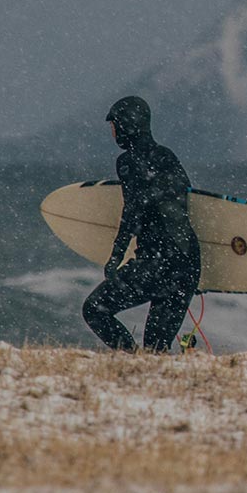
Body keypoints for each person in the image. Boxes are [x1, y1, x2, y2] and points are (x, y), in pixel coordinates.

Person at [82, 96, 202, 352]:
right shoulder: (167, 156)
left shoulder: (127, 162)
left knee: (94, 310)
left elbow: (133, 210)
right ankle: (141, 362)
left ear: (127, 125)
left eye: (114, 126)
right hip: (187, 266)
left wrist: (116, 256)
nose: (113, 133)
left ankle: (131, 356)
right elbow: (186, 205)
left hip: (157, 265)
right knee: (156, 350)